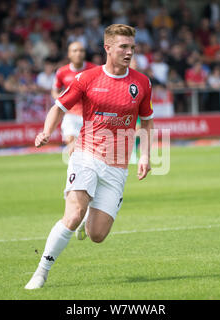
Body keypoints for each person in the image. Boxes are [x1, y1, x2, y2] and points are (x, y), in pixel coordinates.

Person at [25, 24, 154, 289]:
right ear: (107, 48)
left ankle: (88, 218)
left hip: (118, 164)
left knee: (97, 235)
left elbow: (148, 122)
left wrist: (145, 156)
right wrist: (46, 132)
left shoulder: (141, 83)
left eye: (132, 47)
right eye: (123, 47)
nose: (129, 52)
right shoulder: (87, 78)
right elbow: (58, 107)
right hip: (86, 153)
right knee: (73, 214)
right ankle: (41, 271)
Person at [51, 41, 97, 155]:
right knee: (70, 142)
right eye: (75, 51)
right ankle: (75, 171)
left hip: (90, 115)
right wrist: (61, 100)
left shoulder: (94, 70)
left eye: (81, 51)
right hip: (70, 114)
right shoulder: (62, 72)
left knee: (89, 150)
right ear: (69, 54)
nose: (78, 53)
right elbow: (55, 91)